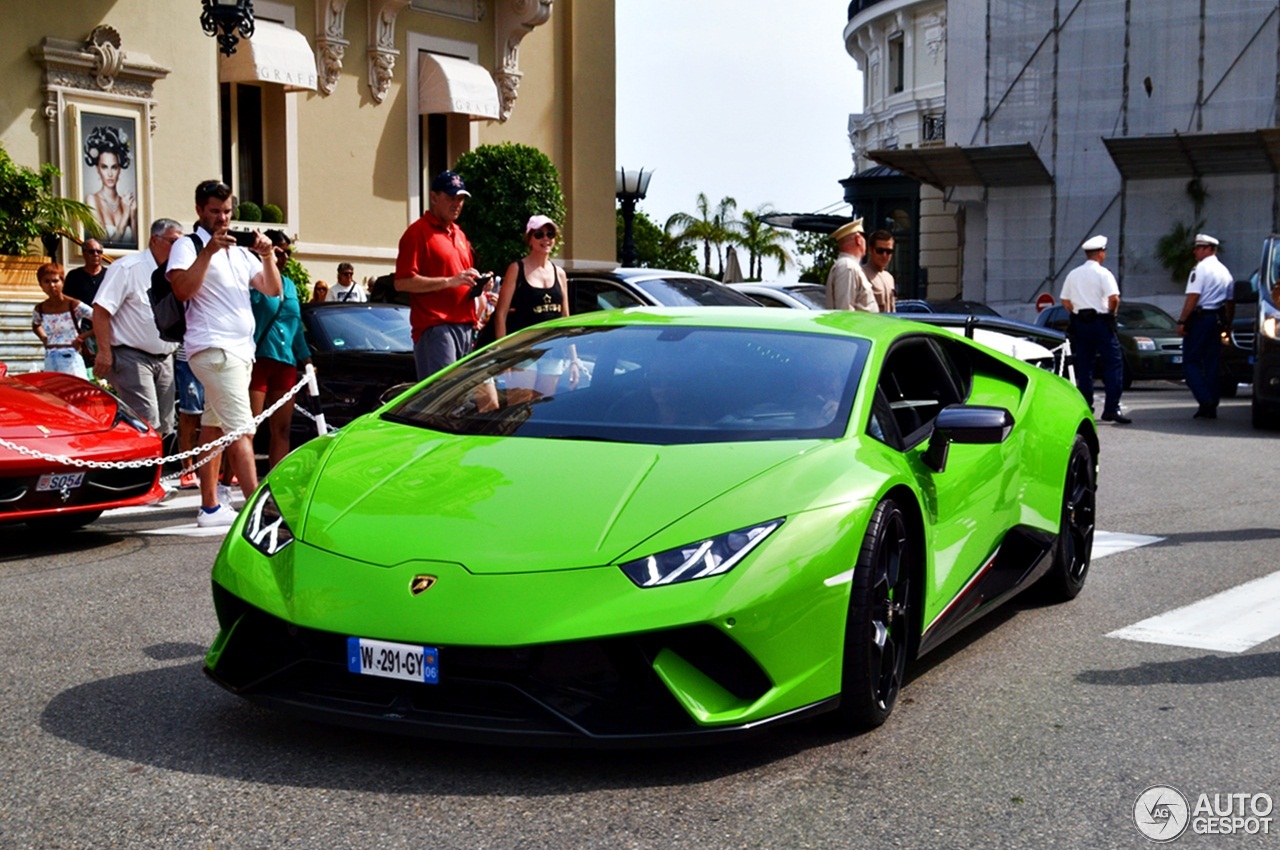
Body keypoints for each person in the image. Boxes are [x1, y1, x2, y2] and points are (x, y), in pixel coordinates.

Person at [167, 179, 282, 528]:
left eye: (228, 211)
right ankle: (260, 512)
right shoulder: (187, 246)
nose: (223, 219)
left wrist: (267, 255)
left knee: (214, 427)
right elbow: (183, 290)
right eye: (215, 212)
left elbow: (273, 289)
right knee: (242, 431)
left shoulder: (240, 251)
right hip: (214, 348)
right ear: (200, 211)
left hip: (238, 350)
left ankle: (210, 507)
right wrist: (208, 252)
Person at [394, 170, 495, 380]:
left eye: (460, 199)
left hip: (466, 327)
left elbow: (462, 280)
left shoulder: (460, 234)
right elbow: (402, 282)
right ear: (434, 197)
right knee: (440, 402)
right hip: (437, 328)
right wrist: (450, 281)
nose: (456, 204)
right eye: (451, 197)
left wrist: (480, 285)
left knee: (467, 401)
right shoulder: (417, 233)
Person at [90, 218, 182, 439]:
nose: (178, 249)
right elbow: (101, 311)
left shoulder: (177, 274)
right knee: (146, 422)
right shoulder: (127, 268)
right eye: (173, 242)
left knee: (166, 426)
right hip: (132, 356)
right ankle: (142, 471)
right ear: (154, 240)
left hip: (166, 357)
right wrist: (103, 352)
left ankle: (155, 471)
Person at [493, 214, 578, 402]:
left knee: (544, 407)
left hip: (552, 350)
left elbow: (566, 318)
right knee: (519, 405)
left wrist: (573, 359)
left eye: (550, 234)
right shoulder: (517, 268)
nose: (545, 239)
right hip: (523, 350)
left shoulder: (560, 273)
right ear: (530, 239)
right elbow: (501, 314)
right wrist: (504, 354)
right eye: (539, 234)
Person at [250, 231, 312, 470]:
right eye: (279, 251)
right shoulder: (253, 281)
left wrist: (306, 360)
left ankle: (275, 478)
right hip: (259, 359)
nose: (284, 256)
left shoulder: (290, 286)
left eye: (287, 252)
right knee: (249, 427)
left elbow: (296, 327)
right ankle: (227, 481)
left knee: (283, 428)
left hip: (285, 363)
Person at [1061, 235, 1130, 424]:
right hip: (1100, 322)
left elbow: (1065, 301)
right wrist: (1111, 313)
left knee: (1085, 366)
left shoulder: (1073, 274)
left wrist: (1075, 312)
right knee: (1113, 363)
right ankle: (1111, 408)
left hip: (1080, 323)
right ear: (1100, 253)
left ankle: (1086, 405)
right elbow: (1114, 298)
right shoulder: (1103, 274)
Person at [1177, 232, 1234, 419]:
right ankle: (1211, 404)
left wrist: (1183, 320)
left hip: (1201, 318)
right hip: (1217, 318)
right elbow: (1230, 301)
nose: (1195, 252)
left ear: (1209, 249)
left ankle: (1205, 399)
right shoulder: (1224, 271)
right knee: (1211, 363)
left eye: (1199, 248)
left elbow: (1193, 297)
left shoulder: (1200, 269)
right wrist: (1228, 323)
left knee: (1190, 362)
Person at [30, 262, 92, 378]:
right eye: (46, 281)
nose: (51, 285)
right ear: (41, 285)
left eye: (55, 281)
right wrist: (44, 338)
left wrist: (82, 338)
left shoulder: (73, 305)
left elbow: (101, 320)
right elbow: (36, 324)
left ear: (62, 282)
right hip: (50, 357)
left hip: (70, 357)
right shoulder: (41, 308)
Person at [82, 126, 137, 249]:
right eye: (104, 167)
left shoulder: (127, 202)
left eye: (114, 167)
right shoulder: (92, 199)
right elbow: (104, 243)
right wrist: (125, 215)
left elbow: (136, 242)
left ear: (120, 169)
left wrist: (132, 215)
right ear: (97, 169)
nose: (110, 174)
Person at [825, 218, 878, 312]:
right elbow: (845, 311)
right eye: (864, 236)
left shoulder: (848, 265)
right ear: (858, 239)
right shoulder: (847, 267)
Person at [173, 343, 203, 489]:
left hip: (224, 353)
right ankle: (188, 470)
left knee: (219, 415)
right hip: (190, 355)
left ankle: (221, 468)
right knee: (190, 413)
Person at [63, 239, 107, 304]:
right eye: (91, 252)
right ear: (84, 254)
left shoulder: (109, 274)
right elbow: (67, 299)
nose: (95, 254)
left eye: (99, 252)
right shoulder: (73, 276)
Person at [865, 229, 897, 312]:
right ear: (870, 250)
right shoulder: (861, 274)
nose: (884, 255)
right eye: (880, 251)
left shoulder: (889, 278)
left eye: (889, 251)